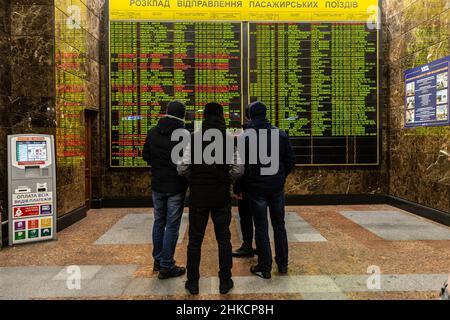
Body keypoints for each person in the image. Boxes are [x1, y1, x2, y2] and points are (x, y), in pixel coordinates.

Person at [178, 102, 244, 295]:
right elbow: (239, 169)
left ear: (204, 117)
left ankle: (192, 283)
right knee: (224, 239)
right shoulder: (230, 139)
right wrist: (226, 179)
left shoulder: (194, 138)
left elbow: (182, 167)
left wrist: (194, 179)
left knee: (195, 241)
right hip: (221, 197)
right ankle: (225, 281)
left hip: (198, 197)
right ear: (222, 116)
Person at [243, 101, 295, 279]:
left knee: (261, 227)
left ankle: (265, 267)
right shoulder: (280, 133)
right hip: (276, 188)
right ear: (265, 114)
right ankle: (283, 264)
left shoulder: (246, 136)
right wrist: (280, 177)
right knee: (279, 225)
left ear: (250, 116)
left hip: (256, 188)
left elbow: (243, 166)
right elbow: (290, 161)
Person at [142, 100, 188, 280]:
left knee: (159, 222)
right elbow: (187, 160)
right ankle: (167, 265)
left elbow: (146, 155)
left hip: (158, 185)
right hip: (176, 186)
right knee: (172, 225)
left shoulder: (153, 131)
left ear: (167, 111)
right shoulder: (184, 134)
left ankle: (158, 259)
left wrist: (158, 166)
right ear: (182, 114)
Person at [232, 107, 256, 258]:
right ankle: (262, 247)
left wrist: (236, 186)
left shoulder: (241, 137)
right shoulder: (273, 134)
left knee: (245, 216)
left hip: (246, 184)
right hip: (264, 185)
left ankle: (247, 245)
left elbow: (239, 167)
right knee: (260, 218)